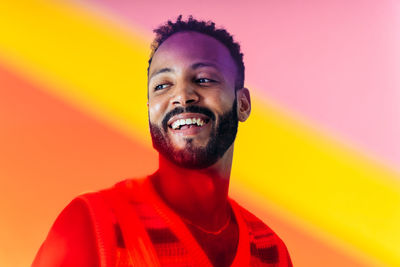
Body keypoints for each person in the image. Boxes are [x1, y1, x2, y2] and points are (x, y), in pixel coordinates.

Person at [33, 16, 292, 267]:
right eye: (162, 85)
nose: (182, 95)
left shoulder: (272, 252)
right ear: (150, 109)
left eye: (203, 79)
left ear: (243, 104)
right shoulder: (92, 223)